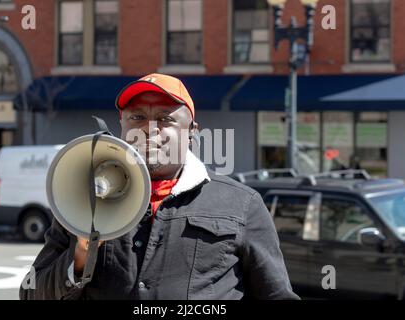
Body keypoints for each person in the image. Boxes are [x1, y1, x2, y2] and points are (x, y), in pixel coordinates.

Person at [20, 73, 299, 300]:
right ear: (122, 127)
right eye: (137, 117)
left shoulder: (242, 204)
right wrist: (81, 253)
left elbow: (276, 294)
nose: (150, 129)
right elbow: (31, 294)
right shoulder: (84, 203)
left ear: (192, 132)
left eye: (165, 119)